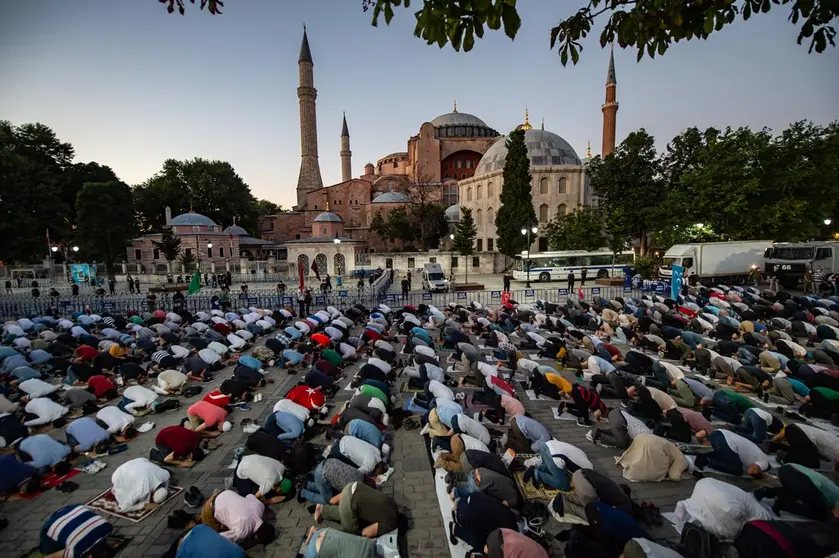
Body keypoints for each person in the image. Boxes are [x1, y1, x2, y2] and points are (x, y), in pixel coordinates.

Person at [674, 478, 771, 540]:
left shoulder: (729, 509)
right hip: (726, 508)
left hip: (759, 524)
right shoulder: (704, 486)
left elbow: (733, 530)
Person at [313, 481, 399, 538]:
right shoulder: (391, 523)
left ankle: (323, 509)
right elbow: (366, 532)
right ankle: (322, 537)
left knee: (348, 510)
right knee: (352, 536)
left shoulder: (394, 505)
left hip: (353, 486)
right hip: (352, 503)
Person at [754, 463, 839, 521]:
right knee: (820, 515)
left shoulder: (834, 491)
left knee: (799, 494)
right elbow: (836, 515)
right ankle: (782, 504)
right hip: (799, 477)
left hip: (787, 470)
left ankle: (766, 492)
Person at [200, 489, 276, 544]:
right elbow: (221, 538)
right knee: (208, 534)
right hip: (211, 507)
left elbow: (250, 496)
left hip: (226, 492)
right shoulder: (242, 531)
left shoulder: (260, 507)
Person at [39, 505, 114, 558]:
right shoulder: (77, 551)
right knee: (47, 550)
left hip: (73, 508)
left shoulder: (108, 528)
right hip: (49, 526)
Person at [615, 433, 689, 482]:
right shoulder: (682, 460)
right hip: (653, 444)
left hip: (641, 437)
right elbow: (675, 476)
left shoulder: (670, 446)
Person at [694, 429, 769, 477]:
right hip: (727, 442)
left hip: (719, 434)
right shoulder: (764, 462)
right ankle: (708, 461)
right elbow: (751, 470)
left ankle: (703, 455)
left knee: (725, 457)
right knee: (737, 470)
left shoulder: (758, 453)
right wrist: (759, 476)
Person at [524, 439, 592, 491]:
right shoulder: (586, 472)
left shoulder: (587, 464)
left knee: (554, 469)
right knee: (564, 485)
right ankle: (537, 473)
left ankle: (538, 468)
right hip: (554, 456)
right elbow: (573, 483)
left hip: (547, 445)